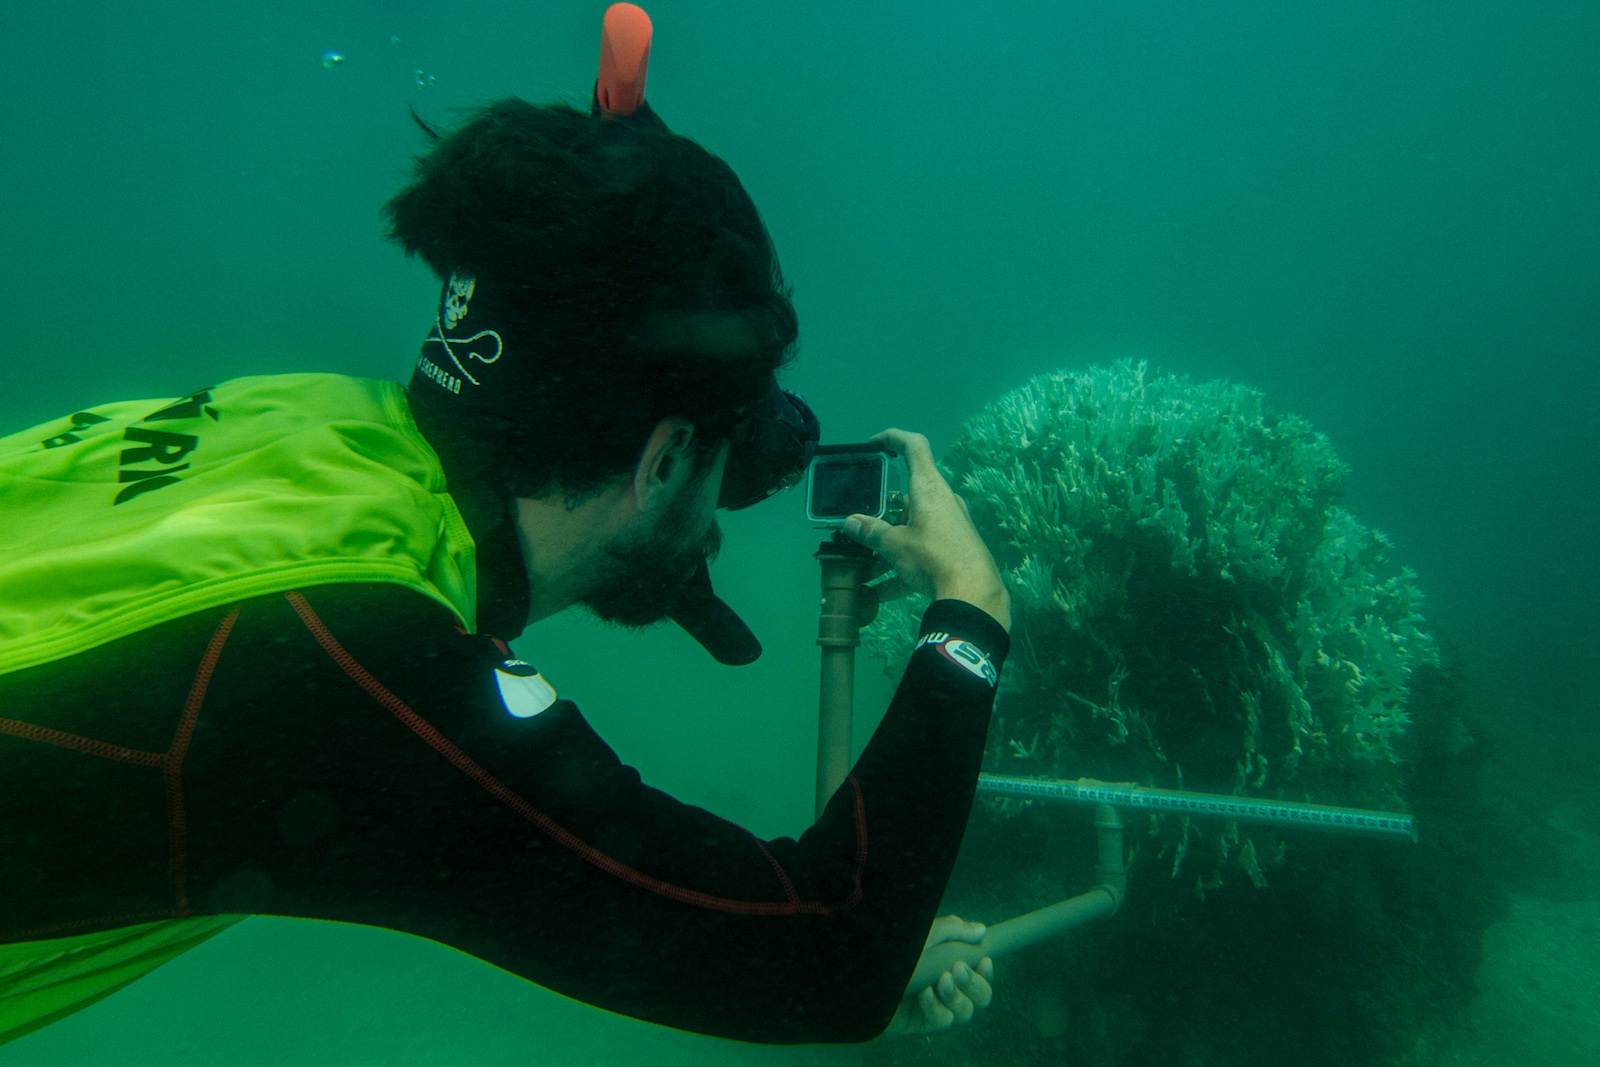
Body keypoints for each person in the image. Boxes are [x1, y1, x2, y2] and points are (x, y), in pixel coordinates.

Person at [0, 7, 1011, 1048]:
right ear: (663, 459)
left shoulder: (297, 417)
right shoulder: (345, 664)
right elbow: (825, 955)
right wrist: (969, 615)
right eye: (721, 450)